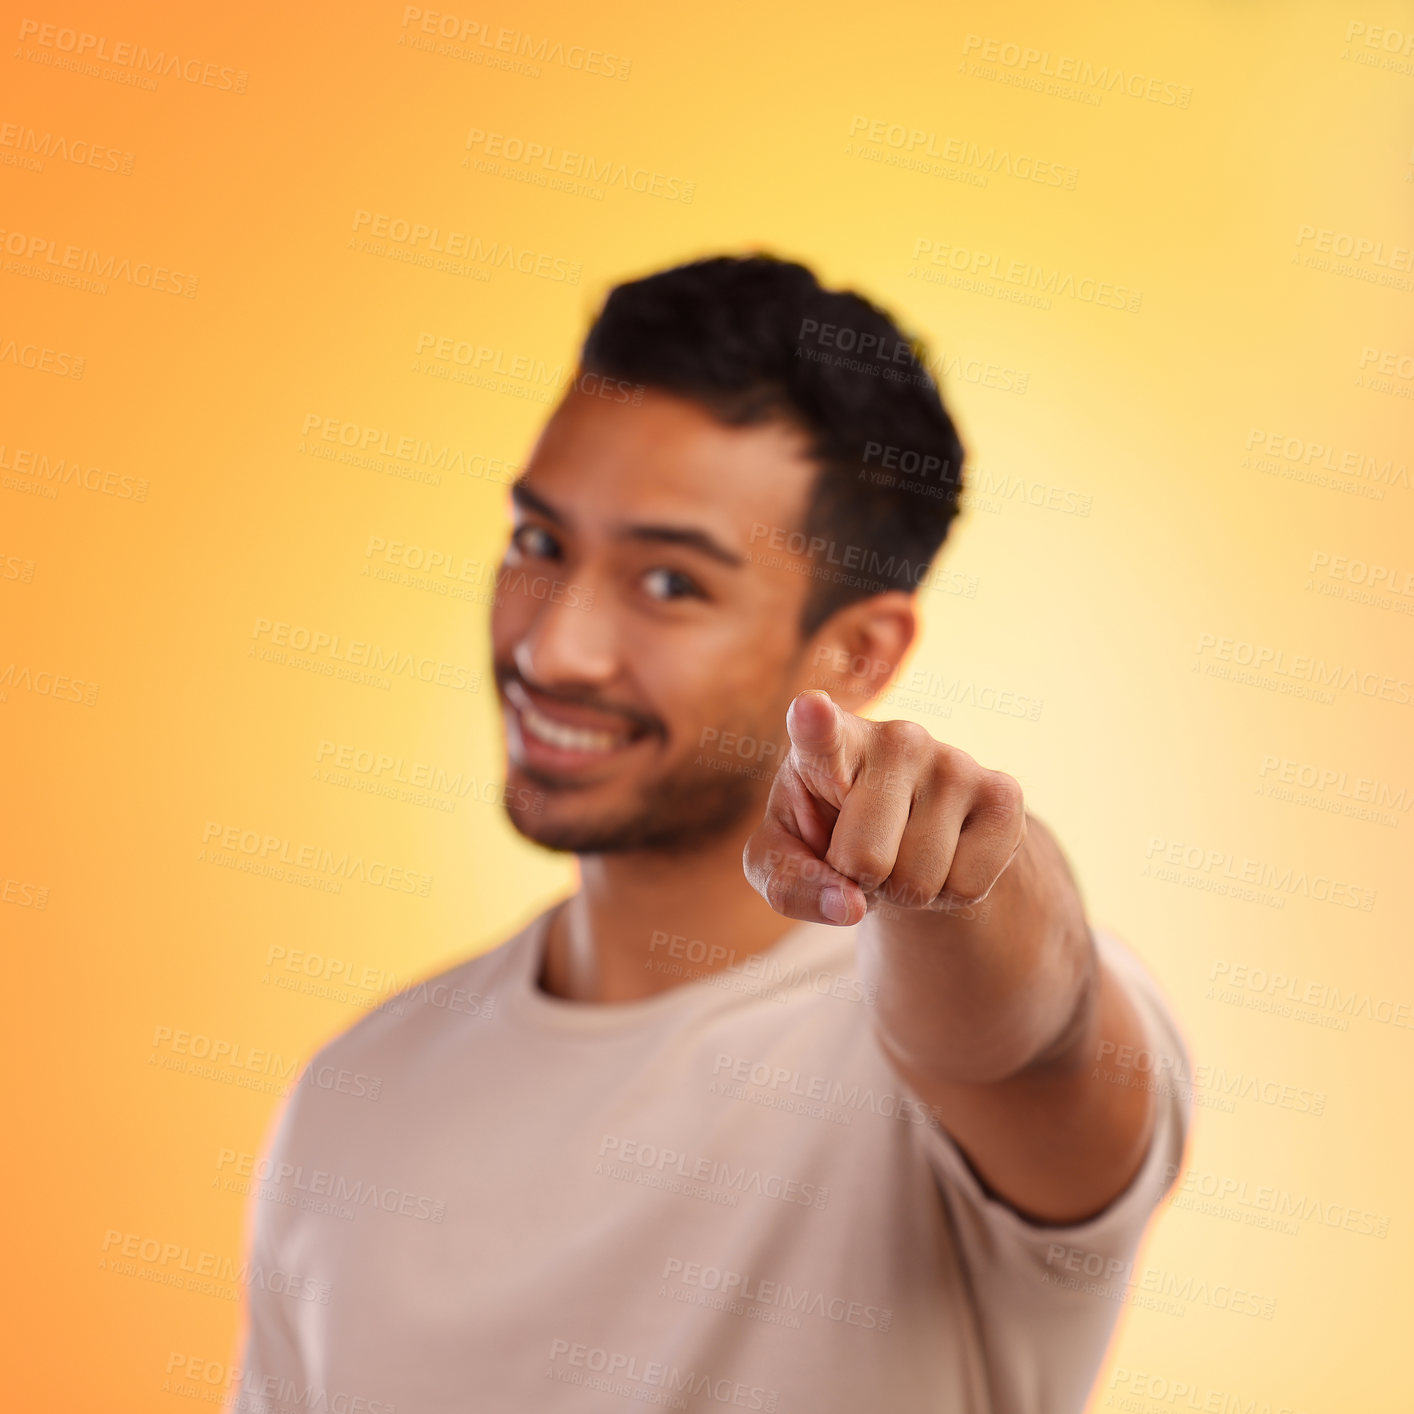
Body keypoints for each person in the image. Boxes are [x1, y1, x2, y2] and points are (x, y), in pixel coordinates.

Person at [234, 254, 1191, 1414]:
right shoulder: (354, 1092)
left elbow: (1026, 1033)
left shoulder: (933, 1058)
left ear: (860, 653)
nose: (554, 650)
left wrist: (968, 881)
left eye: (671, 584)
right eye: (540, 545)